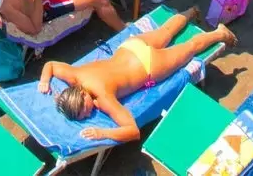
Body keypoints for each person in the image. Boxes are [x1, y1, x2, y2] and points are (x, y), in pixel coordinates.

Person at [41, 10, 235, 142]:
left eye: (84, 111)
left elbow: (132, 131)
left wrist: (102, 133)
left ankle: (220, 34)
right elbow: (50, 65)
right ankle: (191, 11)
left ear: (82, 95)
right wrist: (43, 81)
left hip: (149, 66)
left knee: (189, 47)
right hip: (130, 47)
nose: (87, 115)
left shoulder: (103, 97)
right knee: (165, 32)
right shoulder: (75, 75)